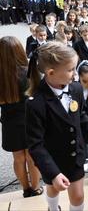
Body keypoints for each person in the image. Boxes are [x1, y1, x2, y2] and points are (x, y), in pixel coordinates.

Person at [25, 41, 88, 211]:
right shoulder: (36, 103)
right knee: (52, 188)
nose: (75, 74)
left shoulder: (76, 89)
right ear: (51, 73)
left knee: (78, 195)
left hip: (75, 156)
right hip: (52, 159)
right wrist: (54, 173)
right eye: (71, 70)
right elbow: (35, 144)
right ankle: (52, 207)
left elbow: (82, 117)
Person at [0, 36, 42, 198]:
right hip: (29, 119)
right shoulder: (28, 72)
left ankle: (25, 189)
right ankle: (36, 187)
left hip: (9, 121)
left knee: (18, 158)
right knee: (32, 156)